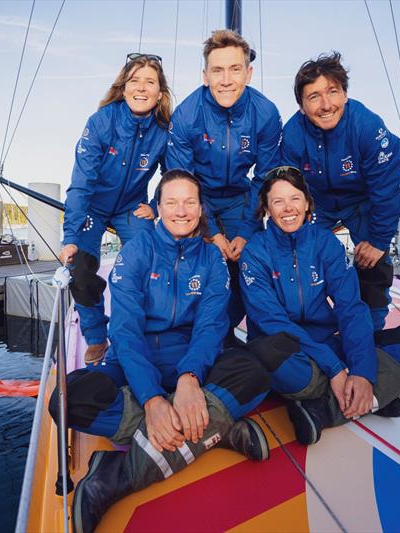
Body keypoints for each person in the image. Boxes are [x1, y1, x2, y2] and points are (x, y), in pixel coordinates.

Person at [51, 170, 272, 533]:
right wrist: (153, 400)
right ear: (158, 207)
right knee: (67, 398)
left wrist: (188, 380)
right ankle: (217, 428)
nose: (181, 211)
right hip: (137, 361)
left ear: (202, 209)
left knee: (258, 372)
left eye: (190, 202)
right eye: (171, 202)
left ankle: (118, 474)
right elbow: (124, 332)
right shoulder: (136, 252)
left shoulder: (213, 259)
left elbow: (211, 326)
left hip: (190, 357)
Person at [239, 167, 400, 445]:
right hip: (289, 350)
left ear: (307, 203)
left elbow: (350, 308)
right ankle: (375, 398)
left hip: (328, 343)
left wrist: (363, 372)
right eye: (278, 201)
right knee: (265, 354)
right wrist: (335, 368)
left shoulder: (326, 244)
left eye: (295, 199)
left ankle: (326, 407)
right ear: (267, 209)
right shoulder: (255, 251)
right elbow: (272, 322)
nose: (288, 209)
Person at [166, 29, 282, 334]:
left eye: (235, 69)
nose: (226, 79)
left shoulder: (266, 114)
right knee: (193, 266)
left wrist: (246, 231)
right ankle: (191, 336)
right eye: (218, 70)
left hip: (238, 197)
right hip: (197, 196)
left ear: (249, 73)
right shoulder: (186, 115)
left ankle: (258, 345)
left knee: (250, 267)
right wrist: (211, 234)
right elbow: (182, 184)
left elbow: (265, 179)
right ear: (205, 75)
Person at [58, 53, 172, 363]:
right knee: (79, 266)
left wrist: (155, 206)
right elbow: (81, 182)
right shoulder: (100, 122)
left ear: (159, 92)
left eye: (150, 82)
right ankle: (96, 336)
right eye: (134, 80)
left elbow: (174, 176)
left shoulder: (164, 131)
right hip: (93, 206)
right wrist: (70, 235)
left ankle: (139, 331)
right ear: (123, 88)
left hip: (131, 208)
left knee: (146, 260)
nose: (141, 88)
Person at [281, 52, 400, 331]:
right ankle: (311, 323)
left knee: (374, 259)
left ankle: (370, 328)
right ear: (302, 106)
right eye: (313, 97)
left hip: (362, 199)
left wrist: (379, 240)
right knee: (299, 255)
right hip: (317, 202)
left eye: (333, 92)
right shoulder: (292, 135)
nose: (326, 105)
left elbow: (385, 189)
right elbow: (287, 191)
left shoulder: (367, 127)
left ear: (345, 95)